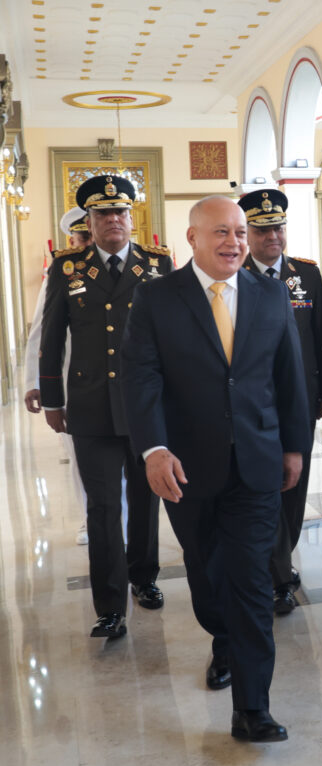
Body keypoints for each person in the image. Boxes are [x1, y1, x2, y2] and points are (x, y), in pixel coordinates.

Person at [120, 195, 309, 742]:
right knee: (206, 573)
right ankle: (222, 639)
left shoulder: (270, 294)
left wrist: (294, 446)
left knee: (251, 580)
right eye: (222, 232)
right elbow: (141, 378)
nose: (235, 242)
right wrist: (154, 449)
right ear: (193, 238)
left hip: (257, 462)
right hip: (187, 467)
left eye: (240, 232)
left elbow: (289, 376)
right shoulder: (157, 298)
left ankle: (252, 708)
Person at [38, 176, 170, 638]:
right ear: (90, 222)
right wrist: (52, 398)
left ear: (132, 219)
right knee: (103, 507)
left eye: (120, 212)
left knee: (146, 498)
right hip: (91, 405)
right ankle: (110, 605)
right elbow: (52, 335)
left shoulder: (158, 264)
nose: (113, 219)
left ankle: (144, 577)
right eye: (103, 214)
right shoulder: (68, 268)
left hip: (145, 406)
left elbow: (173, 336)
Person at [239, 188, 322, 615]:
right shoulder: (234, 275)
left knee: (295, 486)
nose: (272, 236)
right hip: (253, 405)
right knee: (263, 487)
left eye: (278, 227)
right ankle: (277, 574)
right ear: (248, 234)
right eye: (262, 230)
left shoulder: (306, 275)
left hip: (301, 401)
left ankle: (281, 560)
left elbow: (321, 337)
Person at [25, 207, 92, 546]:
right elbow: (41, 331)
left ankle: (121, 521)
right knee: (81, 456)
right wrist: (34, 382)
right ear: (73, 240)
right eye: (83, 238)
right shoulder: (63, 274)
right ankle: (91, 519)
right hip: (73, 379)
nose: (88, 244)